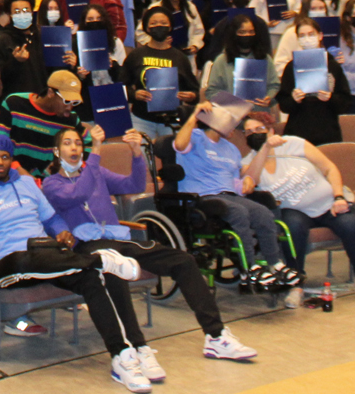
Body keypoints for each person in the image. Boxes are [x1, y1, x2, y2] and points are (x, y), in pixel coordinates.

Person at [0, 134, 196, 391]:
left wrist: (61, 232)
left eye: (4, 157)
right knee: (44, 257)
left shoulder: (26, 184)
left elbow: (51, 220)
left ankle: (121, 355)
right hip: (9, 265)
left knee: (92, 280)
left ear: (11, 159)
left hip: (49, 257)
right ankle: (98, 260)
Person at [41, 126, 258, 378]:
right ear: (57, 151)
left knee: (183, 260)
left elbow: (132, 183)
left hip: (117, 239)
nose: (75, 148)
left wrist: (136, 154)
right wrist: (97, 151)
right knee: (115, 270)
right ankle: (138, 347)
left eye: (78, 143)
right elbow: (78, 193)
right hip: (89, 247)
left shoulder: (95, 171)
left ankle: (216, 335)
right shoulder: (52, 183)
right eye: (68, 143)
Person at [238, 113, 355, 308]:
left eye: (259, 129)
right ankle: (296, 286)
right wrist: (266, 148)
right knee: (292, 227)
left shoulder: (293, 143)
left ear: (270, 130)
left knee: (351, 225)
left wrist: (338, 196)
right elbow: (249, 182)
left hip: (328, 205)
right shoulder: (248, 162)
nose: (254, 134)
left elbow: (329, 168)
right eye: (249, 132)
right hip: (295, 211)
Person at [171, 100, 298, 292]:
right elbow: (179, 145)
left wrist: (247, 179)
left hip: (229, 195)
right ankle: (249, 268)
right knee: (238, 211)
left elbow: (240, 178)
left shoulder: (231, 149)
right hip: (202, 198)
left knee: (262, 212)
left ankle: (275, 263)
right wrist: (195, 114)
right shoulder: (195, 137)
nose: (235, 127)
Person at [0, 70, 101, 179]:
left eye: (75, 103)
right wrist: (18, 170)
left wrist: (59, 169)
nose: (70, 107)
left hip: (51, 182)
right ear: (50, 93)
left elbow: (88, 146)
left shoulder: (71, 120)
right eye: (66, 101)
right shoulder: (14, 104)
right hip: (13, 176)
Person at [121, 7, 199, 141]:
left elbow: (194, 91)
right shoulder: (136, 55)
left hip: (172, 120)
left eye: (163, 23)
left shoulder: (180, 57)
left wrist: (191, 96)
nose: (159, 26)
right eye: (153, 23)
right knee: (142, 158)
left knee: (172, 159)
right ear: (146, 27)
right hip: (141, 119)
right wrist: (134, 94)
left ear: (170, 27)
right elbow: (120, 87)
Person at [273, 16, 350, 145]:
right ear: (297, 39)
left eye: (311, 34)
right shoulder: (291, 67)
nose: (307, 39)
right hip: (298, 132)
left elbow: (345, 103)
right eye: (302, 36)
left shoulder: (332, 66)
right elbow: (284, 106)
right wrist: (294, 99)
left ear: (320, 36)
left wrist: (330, 98)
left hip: (328, 132)